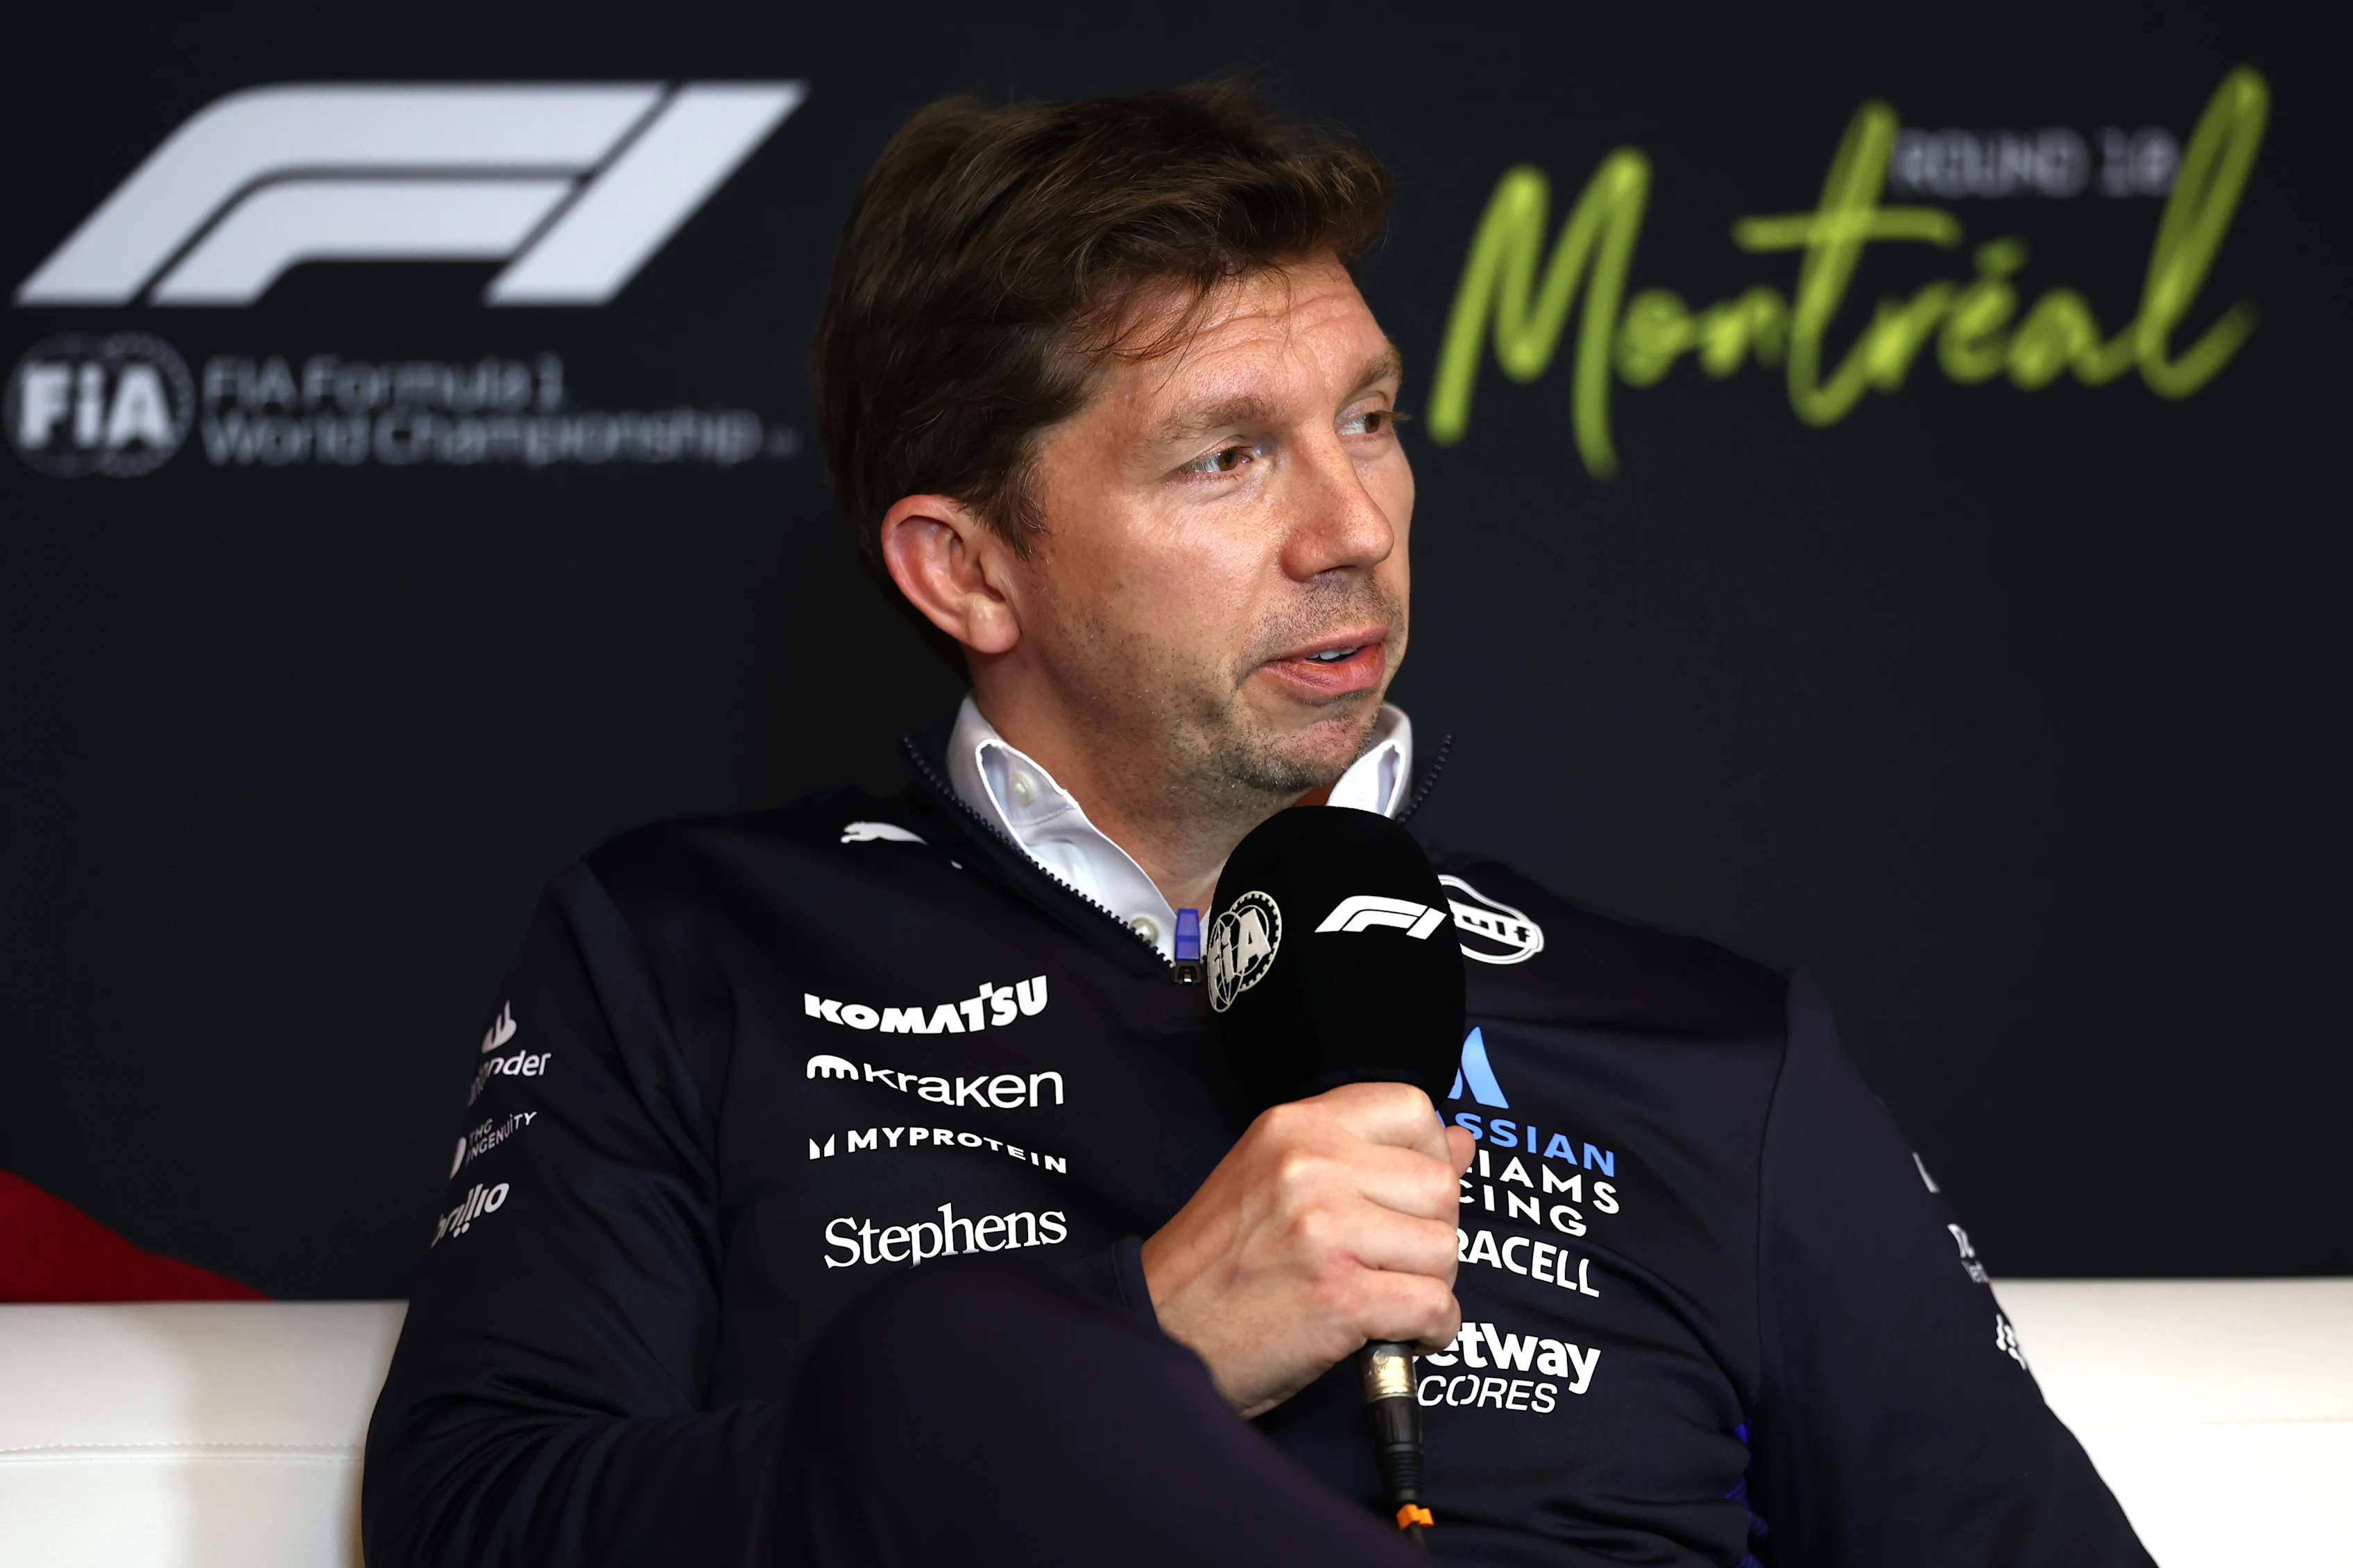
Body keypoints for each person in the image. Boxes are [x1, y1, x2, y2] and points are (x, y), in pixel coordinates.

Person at [362, 81, 2152, 1567]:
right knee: (937, 1386)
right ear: (969, 568)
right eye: (1227, 455)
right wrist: (1128, 1348)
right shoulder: (686, 952)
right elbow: (481, 1523)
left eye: (1366, 419)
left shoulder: (1711, 1041)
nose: (1353, 525)